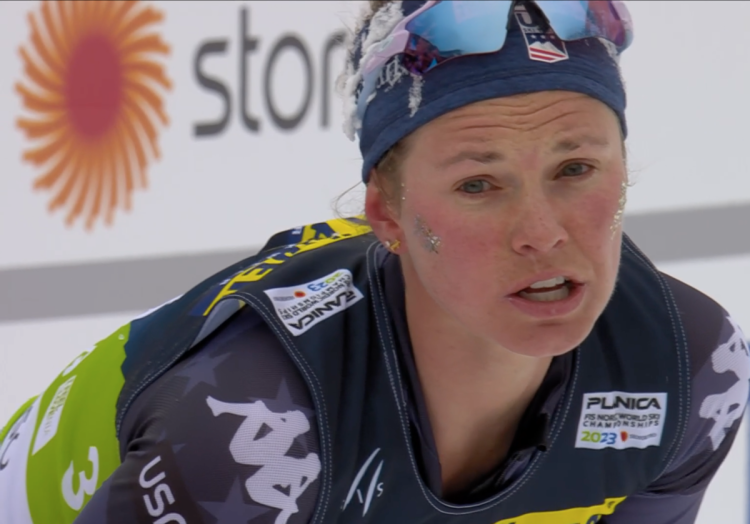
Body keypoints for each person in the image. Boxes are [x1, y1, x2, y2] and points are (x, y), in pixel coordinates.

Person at [1, 1, 748, 523]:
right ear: (385, 215)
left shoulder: (688, 369)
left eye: (576, 169)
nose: (542, 233)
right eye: (478, 185)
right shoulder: (253, 430)